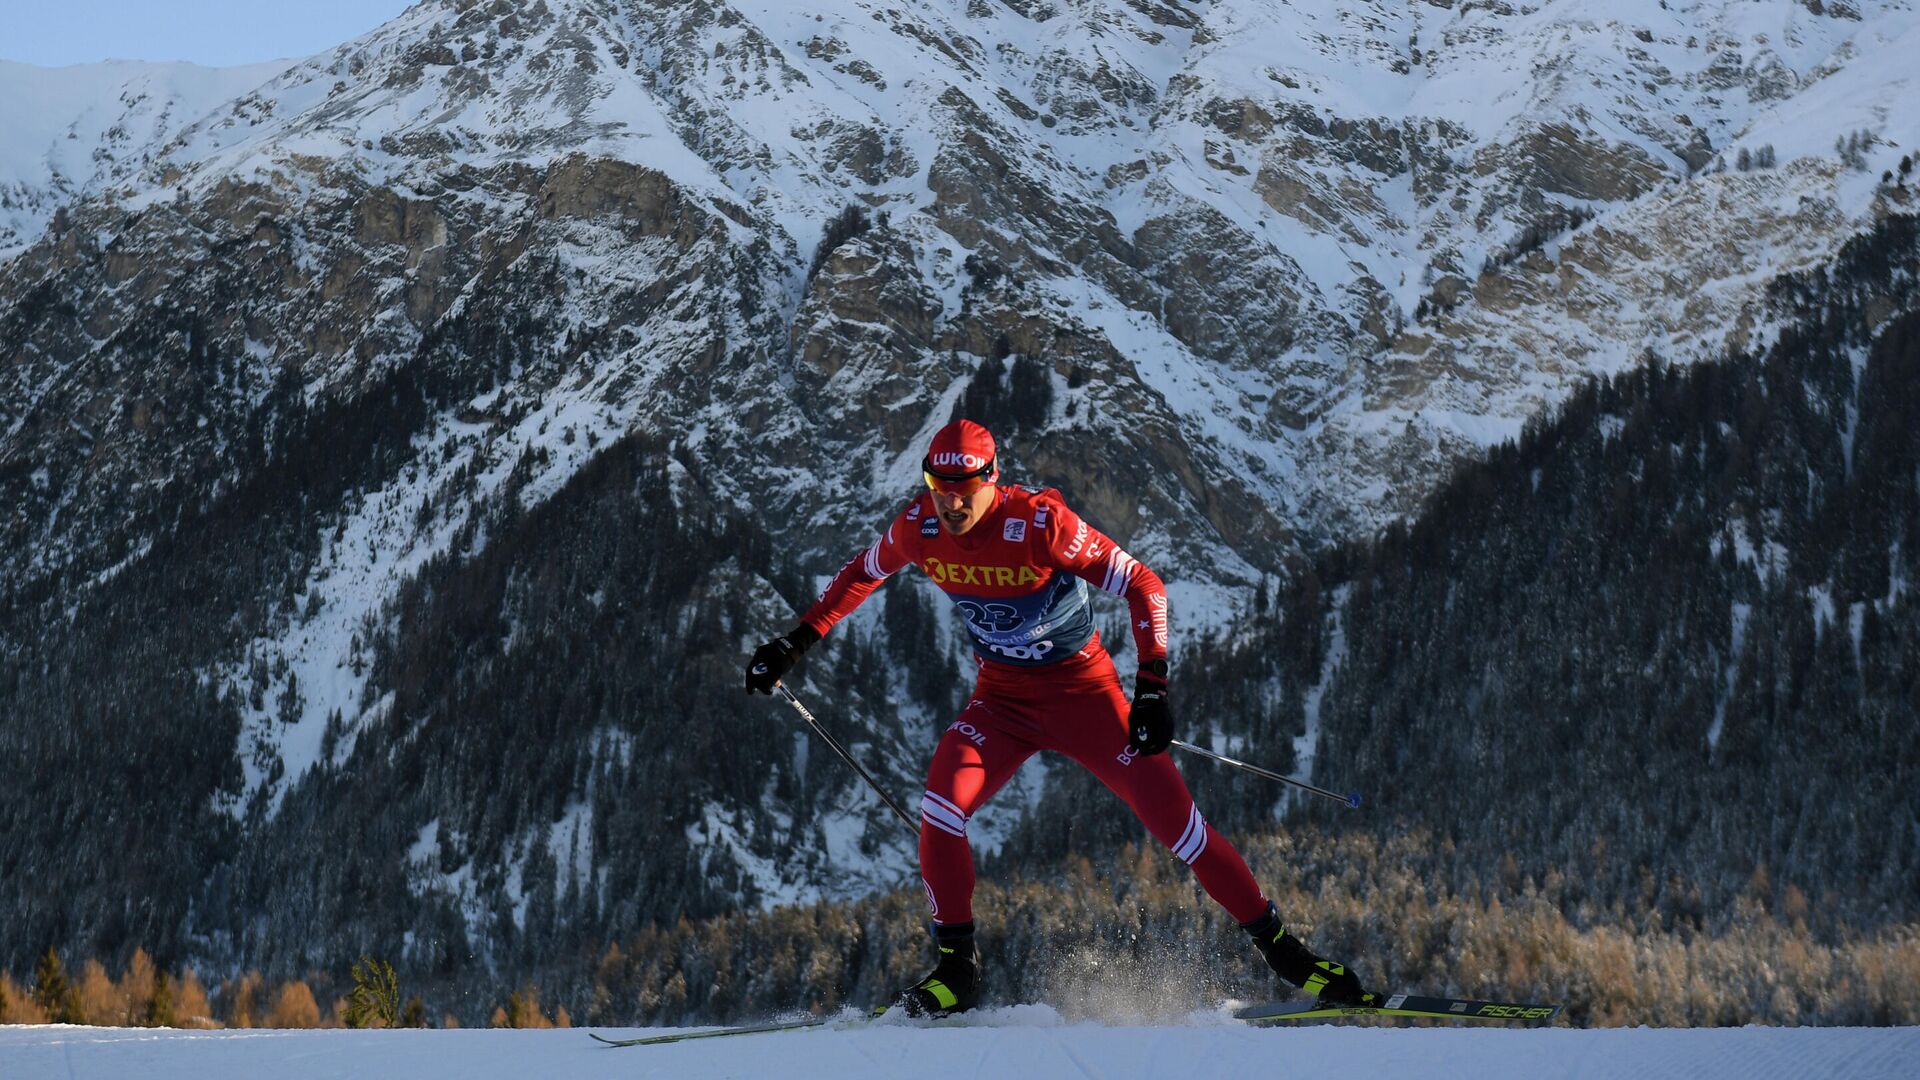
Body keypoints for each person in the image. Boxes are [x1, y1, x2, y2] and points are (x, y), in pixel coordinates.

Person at [746, 419, 1377, 1016]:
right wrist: (793, 643)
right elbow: (861, 572)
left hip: (1085, 697)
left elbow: (1144, 584)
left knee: (1181, 829)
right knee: (939, 808)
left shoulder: (1040, 523)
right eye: (939, 488)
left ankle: (1291, 958)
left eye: (965, 489)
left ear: (992, 479)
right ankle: (956, 972)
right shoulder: (921, 528)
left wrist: (1152, 687)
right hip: (1002, 701)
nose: (951, 503)